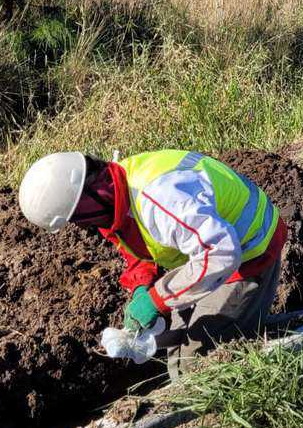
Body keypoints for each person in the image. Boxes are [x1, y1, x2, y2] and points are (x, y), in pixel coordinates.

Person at [17, 150, 287, 375]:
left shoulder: (156, 198)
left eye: (76, 218)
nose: (80, 227)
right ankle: (247, 325)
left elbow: (220, 252)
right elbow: (138, 249)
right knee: (177, 357)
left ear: (87, 196)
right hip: (206, 256)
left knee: (195, 365)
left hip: (250, 253)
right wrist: (142, 289)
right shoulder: (113, 194)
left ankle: (264, 344)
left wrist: (157, 300)